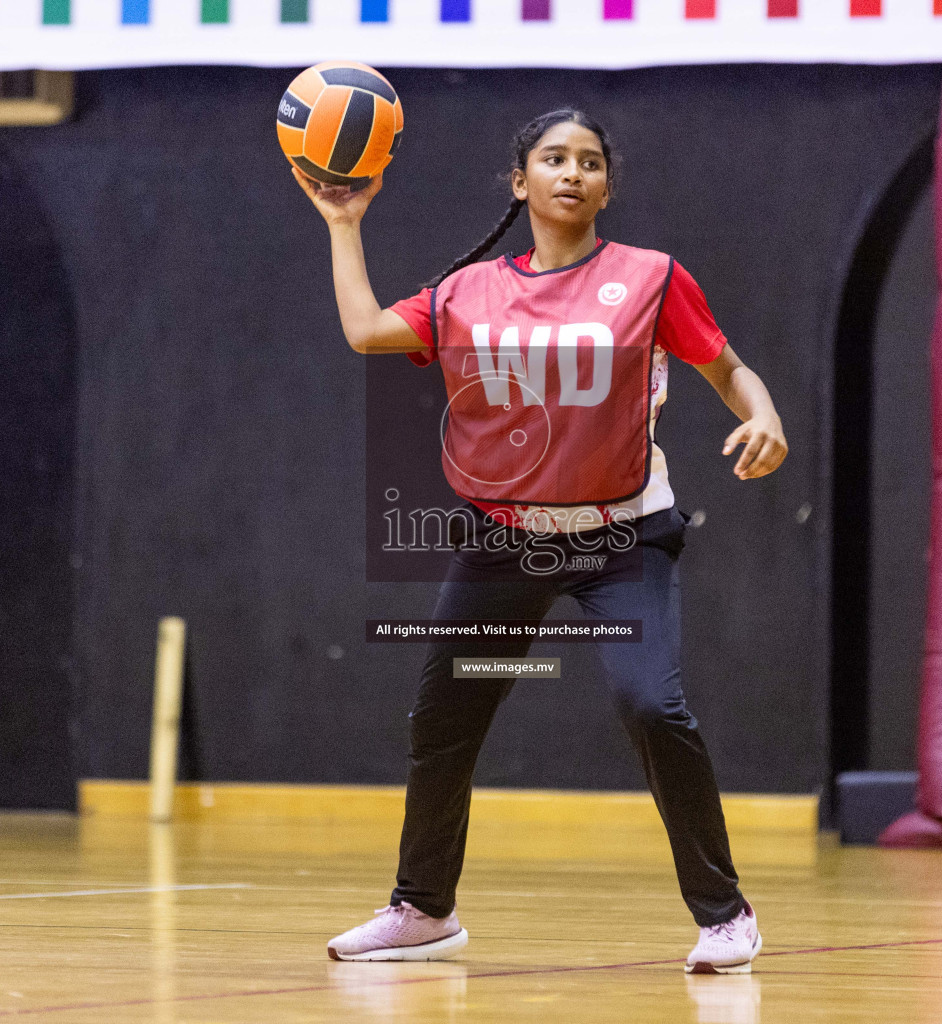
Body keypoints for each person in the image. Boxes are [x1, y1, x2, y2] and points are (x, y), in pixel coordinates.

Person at [292, 108, 787, 974]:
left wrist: (764, 413)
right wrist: (344, 224)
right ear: (520, 183)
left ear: (606, 186)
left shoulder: (651, 278)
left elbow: (729, 370)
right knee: (444, 718)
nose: (573, 173)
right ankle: (423, 909)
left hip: (622, 540)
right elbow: (366, 331)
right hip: (505, 544)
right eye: (553, 159)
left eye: (590, 162)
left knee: (651, 706)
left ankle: (725, 913)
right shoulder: (469, 291)